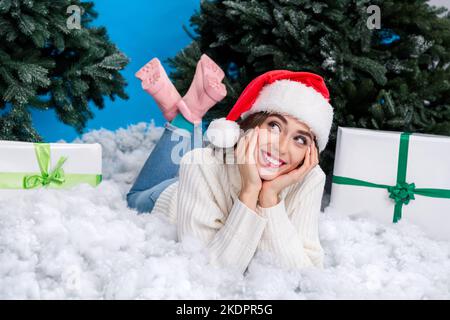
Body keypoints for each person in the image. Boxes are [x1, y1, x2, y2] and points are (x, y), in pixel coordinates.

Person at [127, 55, 334, 275]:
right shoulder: (200, 164)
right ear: (250, 126)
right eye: (274, 126)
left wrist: (269, 198)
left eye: (300, 139)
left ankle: (189, 110)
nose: (282, 147)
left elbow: (304, 275)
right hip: (168, 196)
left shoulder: (310, 178)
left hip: (203, 182)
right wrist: (249, 191)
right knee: (134, 196)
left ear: (309, 153)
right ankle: (187, 116)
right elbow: (210, 272)